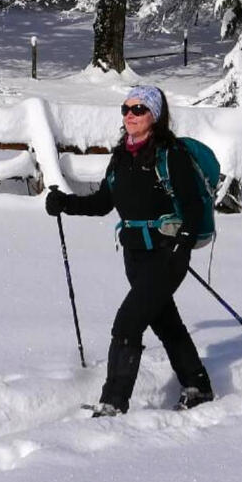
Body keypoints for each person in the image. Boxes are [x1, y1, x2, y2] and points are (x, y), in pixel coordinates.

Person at [45, 85, 214, 416]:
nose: (130, 115)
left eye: (138, 109)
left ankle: (113, 403)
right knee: (165, 322)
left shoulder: (171, 153)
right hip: (135, 257)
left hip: (168, 252)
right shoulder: (121, 156)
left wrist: (183, 246)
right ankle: (198, 386)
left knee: (127, 323)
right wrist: (64, 202)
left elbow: (192, 206)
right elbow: (103, 203)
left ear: (154, 115)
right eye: (126, 109)